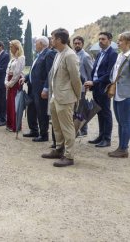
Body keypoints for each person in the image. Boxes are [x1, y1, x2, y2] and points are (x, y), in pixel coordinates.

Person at [41, 28, 81, 167]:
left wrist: (77, 96)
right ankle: (59, 149)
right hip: (55, 96)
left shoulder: (70, 55)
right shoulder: (58, 54)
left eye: (53, 38)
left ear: (59, 39)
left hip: (65, 97)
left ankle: (69, 156)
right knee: (56, 126)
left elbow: (76, 79)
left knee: (67, 127)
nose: (51, 41)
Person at [84, 32, 118, 147]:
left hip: (104, 88)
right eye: (99, 39)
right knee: (99, 112)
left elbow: (109, 74)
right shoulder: (99, 54)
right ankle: (101, 136)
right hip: (96, 87)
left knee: (106, 113)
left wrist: (94, 82)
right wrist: (91, 83)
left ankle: (107, 139)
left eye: (103, 39)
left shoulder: (112, 54)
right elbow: (95, 72)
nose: (100, 41)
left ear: (110, 40)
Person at [20, 36, 55, 141]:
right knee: (31, 110)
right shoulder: (38, 55)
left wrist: (46, 88)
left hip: (40, 89)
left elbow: (50, 73)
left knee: (42, 112)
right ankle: (34, 130)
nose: (35, 44)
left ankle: (44, 134)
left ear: (41, 43)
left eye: (36, 43)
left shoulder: (49, 54)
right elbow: (33, 71)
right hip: (32, 88)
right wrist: (26, 78)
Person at [108, 31, 130, 158]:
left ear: (128, 42)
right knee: (120, 122)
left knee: (125, 122)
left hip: (126, 94)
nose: (118, 42)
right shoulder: (120, 55)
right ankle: (121, 146)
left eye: (120, 40)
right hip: (116, 92)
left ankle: (123, 149)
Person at [73, 36, 94, 137]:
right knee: (76, 110)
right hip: (74, 88)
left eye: (79, 43)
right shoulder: (73, 55)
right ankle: (79, 130)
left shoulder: (86, 56)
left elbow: (91, 72)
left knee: (82, 109)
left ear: (82, 44)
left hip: (83, 88)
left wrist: (89, 87)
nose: (77, 45)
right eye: (75, 43)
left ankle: (83, 130)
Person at [5, 40, 25, 132]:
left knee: (15, 104)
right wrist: (6, 82)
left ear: (16, 47)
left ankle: (15, 125)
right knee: (9, 103)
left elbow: (17, 74)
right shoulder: (12, 59)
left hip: (15, 84)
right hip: (9, 82)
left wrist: (10, 84)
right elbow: (7, 71)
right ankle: (9, 123)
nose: (10, 49)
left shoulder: (21, 58)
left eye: (11, 47)